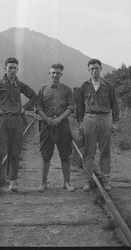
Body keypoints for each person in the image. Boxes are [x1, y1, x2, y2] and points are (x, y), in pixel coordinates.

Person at [0, 57, 37, 196]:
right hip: (2, 120)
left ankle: (13, 182)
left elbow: (34, 96)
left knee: (15, 152)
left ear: (18, 69)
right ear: (5, 68)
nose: (12, 70)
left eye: (14, 68)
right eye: (9, 67)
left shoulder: (20, 85)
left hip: (17, 120)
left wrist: (25, 108)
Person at [76, 59, 119, 191]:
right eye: (92, 68)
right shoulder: (84, 86)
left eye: (96, 68)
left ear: (101, 69)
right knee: (88, 151)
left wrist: (115, 122)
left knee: (105, 151)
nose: (94, 71)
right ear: (88, 70)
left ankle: (106, 180)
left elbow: (114, 104)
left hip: (105, 118)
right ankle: (89, 180)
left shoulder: (109, 86)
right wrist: (80, 123)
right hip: (89, 119)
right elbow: (80, 106)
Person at [36, 63, 75, 192]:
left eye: (58, 73)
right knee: (45, 155)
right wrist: (47, 119)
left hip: (62, 124)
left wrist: (59, 118)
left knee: (65, 154)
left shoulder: (67, 90)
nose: (55, 75)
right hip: (46, 125)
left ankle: (67, 183)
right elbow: (38, 107)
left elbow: (71, 107)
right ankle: (43, 183)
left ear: (61, 74)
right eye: (53, 72)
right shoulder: (42, 89)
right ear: (49, 73)